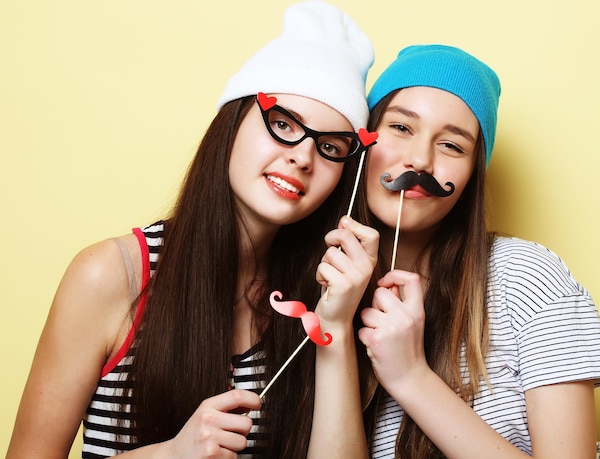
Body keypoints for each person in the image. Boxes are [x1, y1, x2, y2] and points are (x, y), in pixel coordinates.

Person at [7, 2, 379, 458]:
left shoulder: (313, 301)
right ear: (232, 122)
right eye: (282, 124)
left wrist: (335, 327)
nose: (302, 157)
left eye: (329, 147)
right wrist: (169, 454)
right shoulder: (112, 275)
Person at [353, 44, 600, 458]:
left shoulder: (526, 277)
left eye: (453, 146)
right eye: (401, 128)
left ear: (472, 175)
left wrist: (410, 376)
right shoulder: (319, 285)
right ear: (363, 138)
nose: (420, 160)